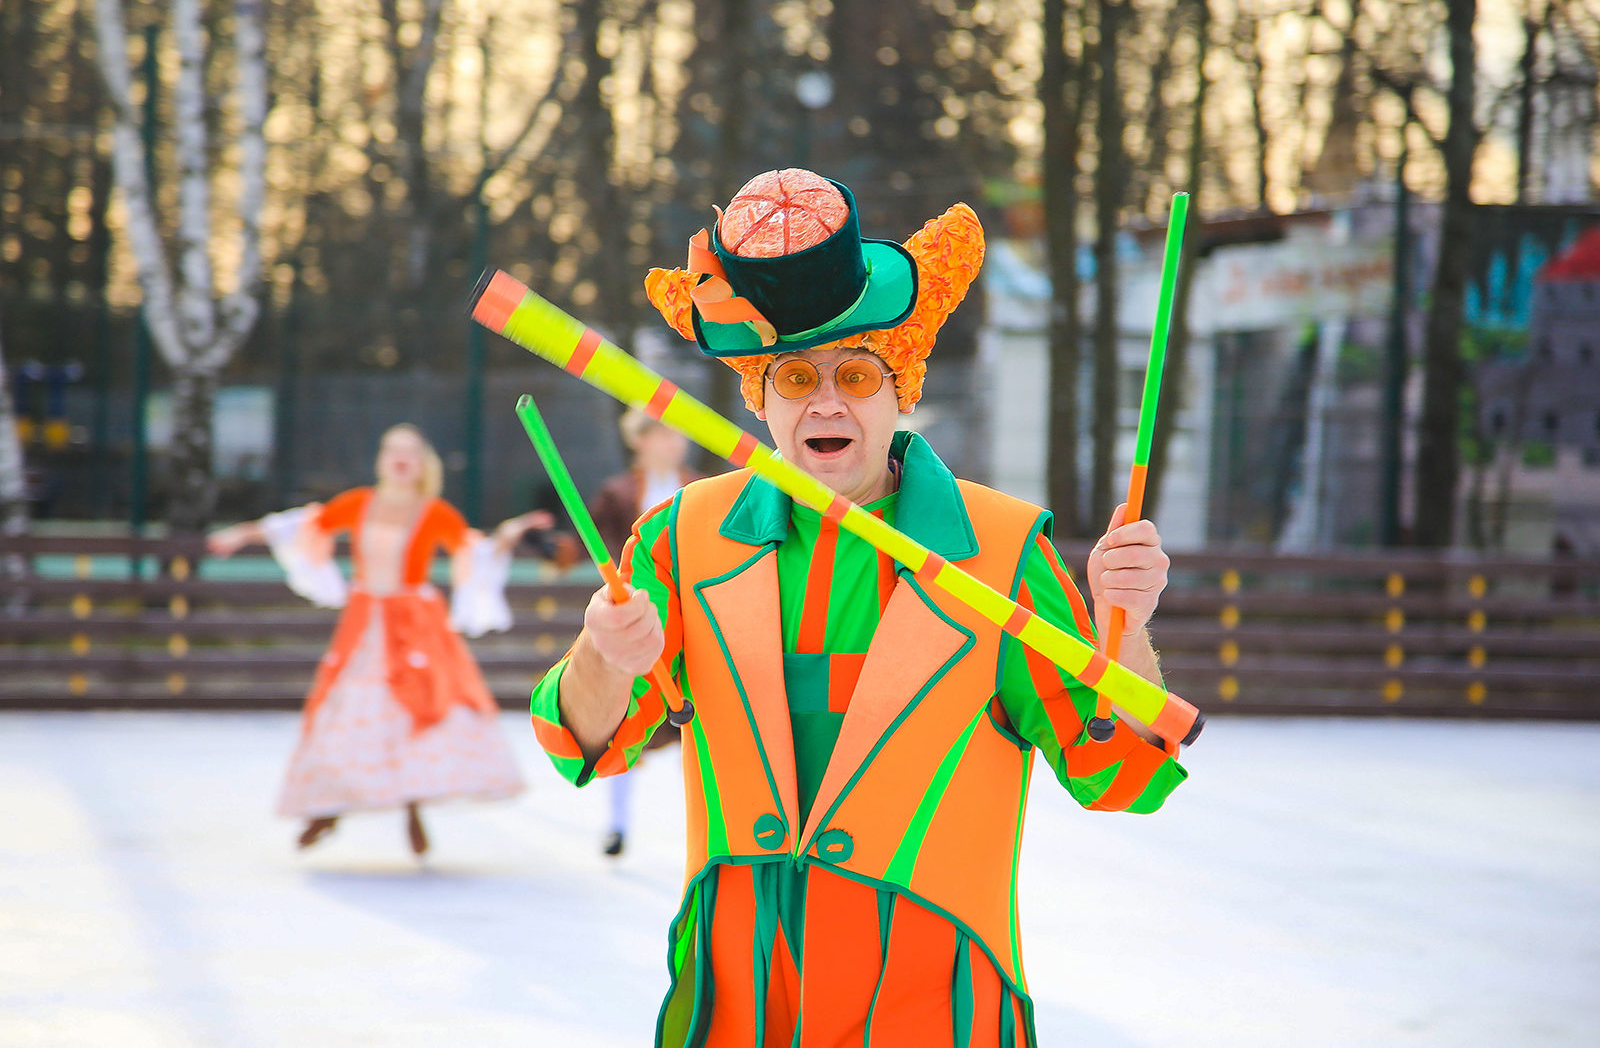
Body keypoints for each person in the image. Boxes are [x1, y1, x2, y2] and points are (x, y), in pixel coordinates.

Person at [529, 169, 1187, 1045]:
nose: (828, 399)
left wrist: (1127, 623)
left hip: (935, 992)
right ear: (760, 399)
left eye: (857, 373)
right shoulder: (683, 538)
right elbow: (584, 738)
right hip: (743, 993)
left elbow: (1119, 773)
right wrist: (603, 650)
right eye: (796, 376)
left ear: (901, 389)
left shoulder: (997, 552)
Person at [208, 423, 525, 857]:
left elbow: (473, 550)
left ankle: (412, 806)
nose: (401, 457)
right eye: (393, 449)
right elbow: (304, 524)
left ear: (422, 463)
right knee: (347, 711)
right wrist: (241, 534)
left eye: (410, 451)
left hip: (413, 623)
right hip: (364, 622)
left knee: (413, 706)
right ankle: (328, 807)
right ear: (381, 459)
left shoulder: (434, 512)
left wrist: (507, 536)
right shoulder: (358, 503)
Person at [585, 408, 703, 858]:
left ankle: (707, 826)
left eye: (678, 434)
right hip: (635, 627)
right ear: (641, 440)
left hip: (693, 627)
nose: (674, 442)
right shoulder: (618, 494)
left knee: (699, 733)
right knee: (626, 725)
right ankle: (616, 825)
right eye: (663, 434)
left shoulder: (702, 490)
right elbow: (588, 544)